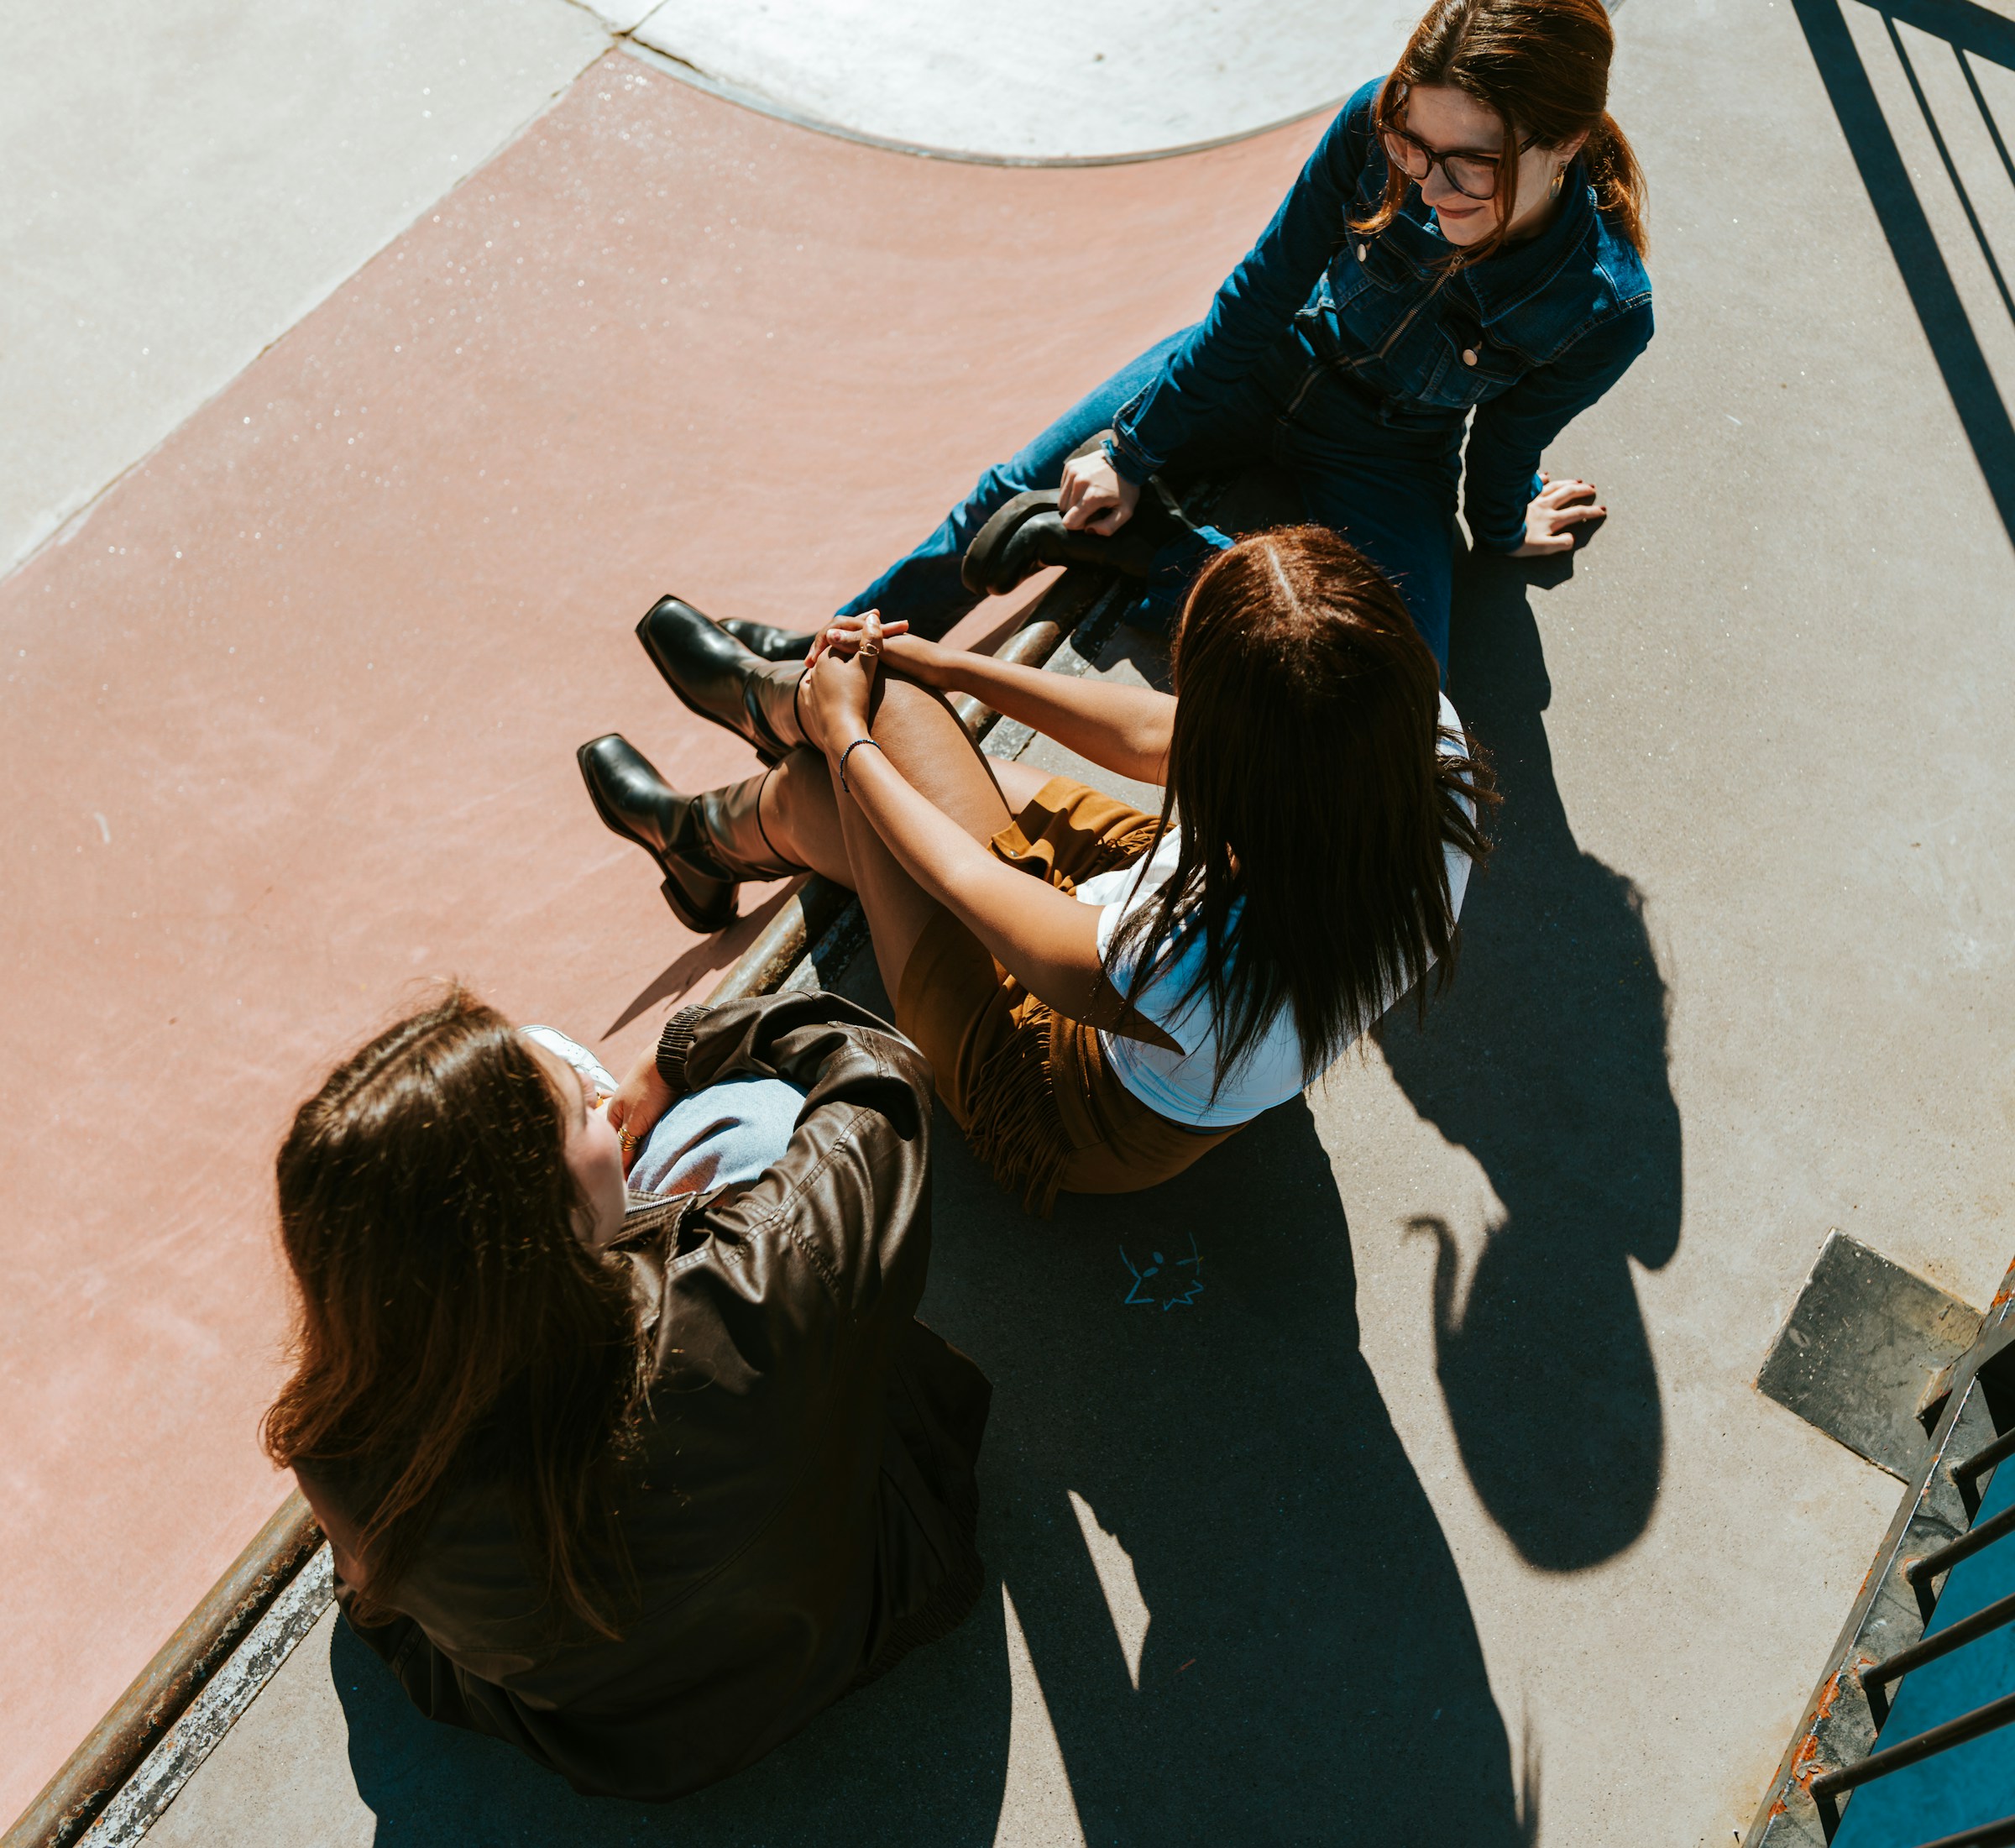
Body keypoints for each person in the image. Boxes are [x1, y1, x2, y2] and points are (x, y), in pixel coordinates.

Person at [578, 526, 1496, 1213]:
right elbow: (1153, 736)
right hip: (1223, 908)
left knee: (857, 762)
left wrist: (847, 731)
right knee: (893, 724)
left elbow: (970, 886)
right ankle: (723, 799)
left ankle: (732, 788)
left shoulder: (1177, 958)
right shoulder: (1415, 755)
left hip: (1059, 1090)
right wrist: (953, 665)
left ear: (1237, 770)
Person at [723, 0, 1651, 678]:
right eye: (1415, 145)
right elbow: (1257, 295)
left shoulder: (1603, 308)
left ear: (1564, 144)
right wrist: (1134, 449)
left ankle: (1164, 554)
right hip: (1264, 361)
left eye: (1469, 166)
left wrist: (1499, 528)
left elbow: (1508, 439)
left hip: (1386, 450)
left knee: (1391, 676)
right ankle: (821, 667)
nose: (1427, 181)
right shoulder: (1375, 123)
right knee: (1021, 489)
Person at [263, 987, 989, 1802]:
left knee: (530, 1056)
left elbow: (380, 1606)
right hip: (878, 1596)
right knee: (753, 1112)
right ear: (546, 1216)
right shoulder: (758, 1282)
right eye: (584, 1114)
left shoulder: (337, 1451)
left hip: (631, 1744)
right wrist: (682, 1047)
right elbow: (876, 1070)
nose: (607, 1119)